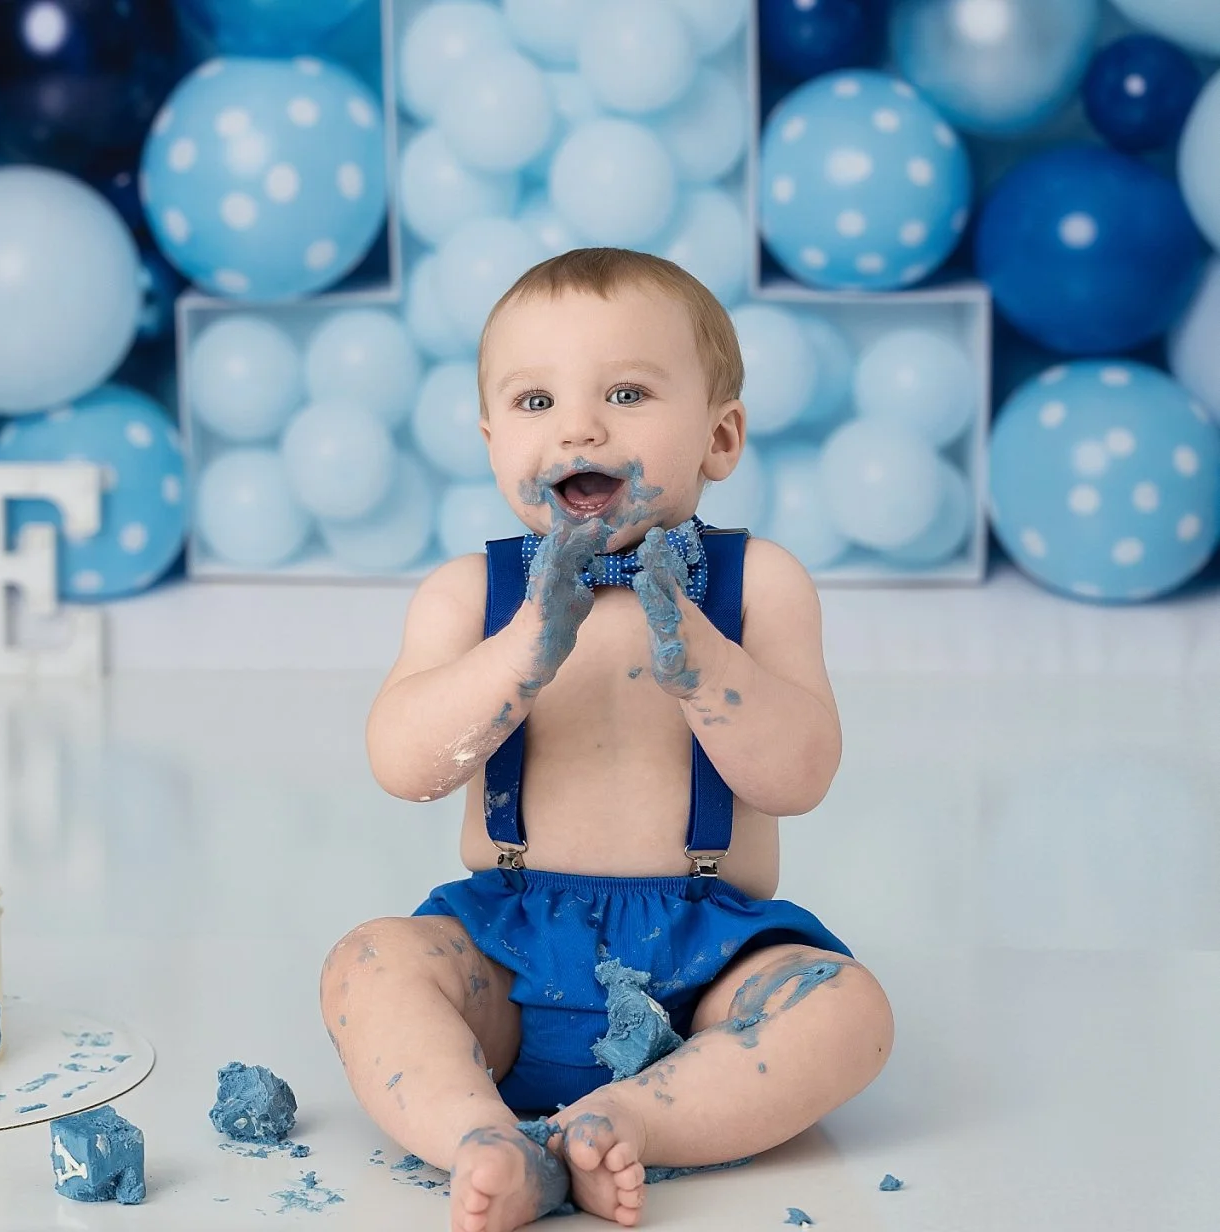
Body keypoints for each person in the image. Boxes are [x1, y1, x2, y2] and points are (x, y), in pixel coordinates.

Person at [321, 249, 893, 1231]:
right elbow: (402, 764)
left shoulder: (761, 587)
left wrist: (702, 664)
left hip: (710, 957)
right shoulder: (470, 595)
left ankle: (627, 1117)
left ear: (719, 437)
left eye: (625, 392)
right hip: (505, 950)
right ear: (493, 439)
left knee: (848, 1010)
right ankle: (481, 1134)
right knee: (367, 962)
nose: (580, 426)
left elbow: (798, 777)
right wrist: (521, 653)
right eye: (535, 401)